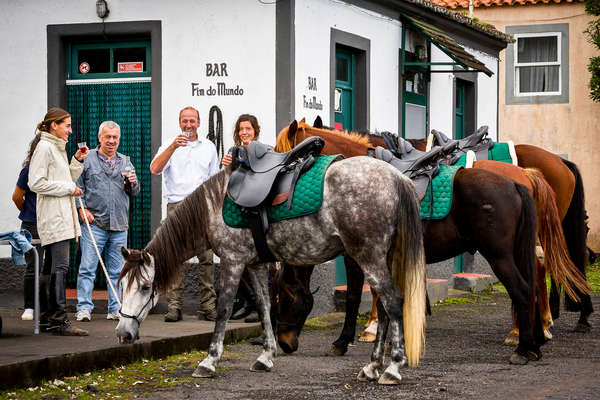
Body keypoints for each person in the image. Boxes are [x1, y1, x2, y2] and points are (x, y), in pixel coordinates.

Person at [150, 106, 219, 322]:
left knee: (206, 257)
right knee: (175, 257)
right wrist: (172, 147)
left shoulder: (208, 147)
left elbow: (214, 179)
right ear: (180, 122)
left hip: (201, 206)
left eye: (192, 121)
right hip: (177, 205)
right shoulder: (170, 144)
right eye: (184, 121)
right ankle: (174, 307)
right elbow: (155, 168)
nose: (188, 125)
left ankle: (208, 306)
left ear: (198, 123)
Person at [28, 107, 89, 336]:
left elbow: (66, 180)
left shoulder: (56, 147)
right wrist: (68, 188)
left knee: (51, 266)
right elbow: (36, 183)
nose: (70, 131)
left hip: (61, 216)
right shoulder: (45, 147)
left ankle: (47, 317)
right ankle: (59, 319)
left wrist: (76, 161)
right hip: (54, 217)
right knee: (60, 267)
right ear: (54, 125)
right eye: (67, 125)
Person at [74, 121, 139, 322]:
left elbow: (135, 193)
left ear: (119, 139)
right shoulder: (87, 158)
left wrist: (133, 183)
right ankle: (84, 308)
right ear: (99, 137)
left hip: (119, 224)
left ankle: (115, 308)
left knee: (117, 271)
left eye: (115, 137)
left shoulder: (126, 162)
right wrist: (81, 208)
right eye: (108, 137)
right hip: (94, 224)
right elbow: (76, 186)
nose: (111, 141)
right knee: (87, 268)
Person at [222, 114, 262, 324]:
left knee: (253, 259)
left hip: (256, 210)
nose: (244, 132)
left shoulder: (263, 150)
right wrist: (226, 165)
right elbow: (229, 180)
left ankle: (257, 305)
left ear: (255, 130)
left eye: (248, 128)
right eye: (241, 129)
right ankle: (248, 302)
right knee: (235, 258)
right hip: (238, 210)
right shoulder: (233, 152)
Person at [12, 135, 52, 324]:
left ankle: (46, 306)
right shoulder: (28, 171)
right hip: (31, 224)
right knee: (32, 266)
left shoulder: (55, 172)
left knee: (49, 267)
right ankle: (29, 306)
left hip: (52, 223)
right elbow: (17, 197)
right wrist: (29, 211)